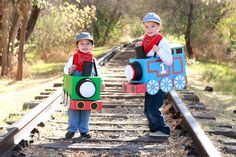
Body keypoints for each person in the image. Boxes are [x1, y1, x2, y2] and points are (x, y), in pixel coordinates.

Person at [135, 12, 173, 137]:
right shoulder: (146, 41)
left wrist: (159, 50)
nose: (149, 29)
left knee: (153, 107)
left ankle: (162, 130)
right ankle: (154, 130)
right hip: (150, 81)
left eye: (152, 26)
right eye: (146, 26)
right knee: (147, 109)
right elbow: (144, 61)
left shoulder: (161, 42)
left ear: (159, 27)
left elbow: (169, 61)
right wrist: (139, 49)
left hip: (160, 79)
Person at [64, 32, 100, 139]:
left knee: (86, 109)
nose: (85, 46)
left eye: (87, 44)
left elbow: (98, 72)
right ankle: (71, 129)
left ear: (92, 46)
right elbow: (66, 69)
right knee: (73, 109)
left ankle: (84, 130)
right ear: (77, 46)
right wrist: (70, 70)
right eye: (82, 43)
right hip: (75, 88)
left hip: (89, 89)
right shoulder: (73, 58)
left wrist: (101, 82)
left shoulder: (93, 59)